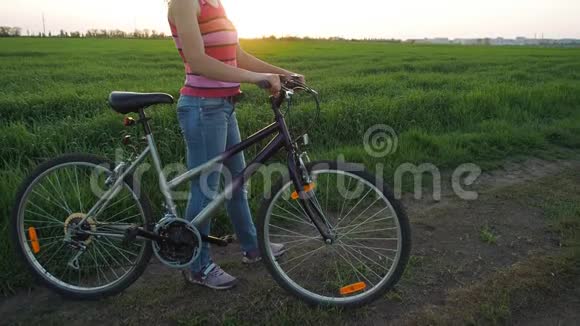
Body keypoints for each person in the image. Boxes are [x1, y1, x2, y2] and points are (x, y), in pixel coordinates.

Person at [167, 0, 305, 290]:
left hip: (224, 107)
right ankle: (197, 266)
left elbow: (236, 55)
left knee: (236, 183)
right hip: (203, 108)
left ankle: (252, 246)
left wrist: (282, 74)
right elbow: (198, 59)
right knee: (206, 190)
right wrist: (257, 79)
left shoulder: (214, 3)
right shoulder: (185, 2)